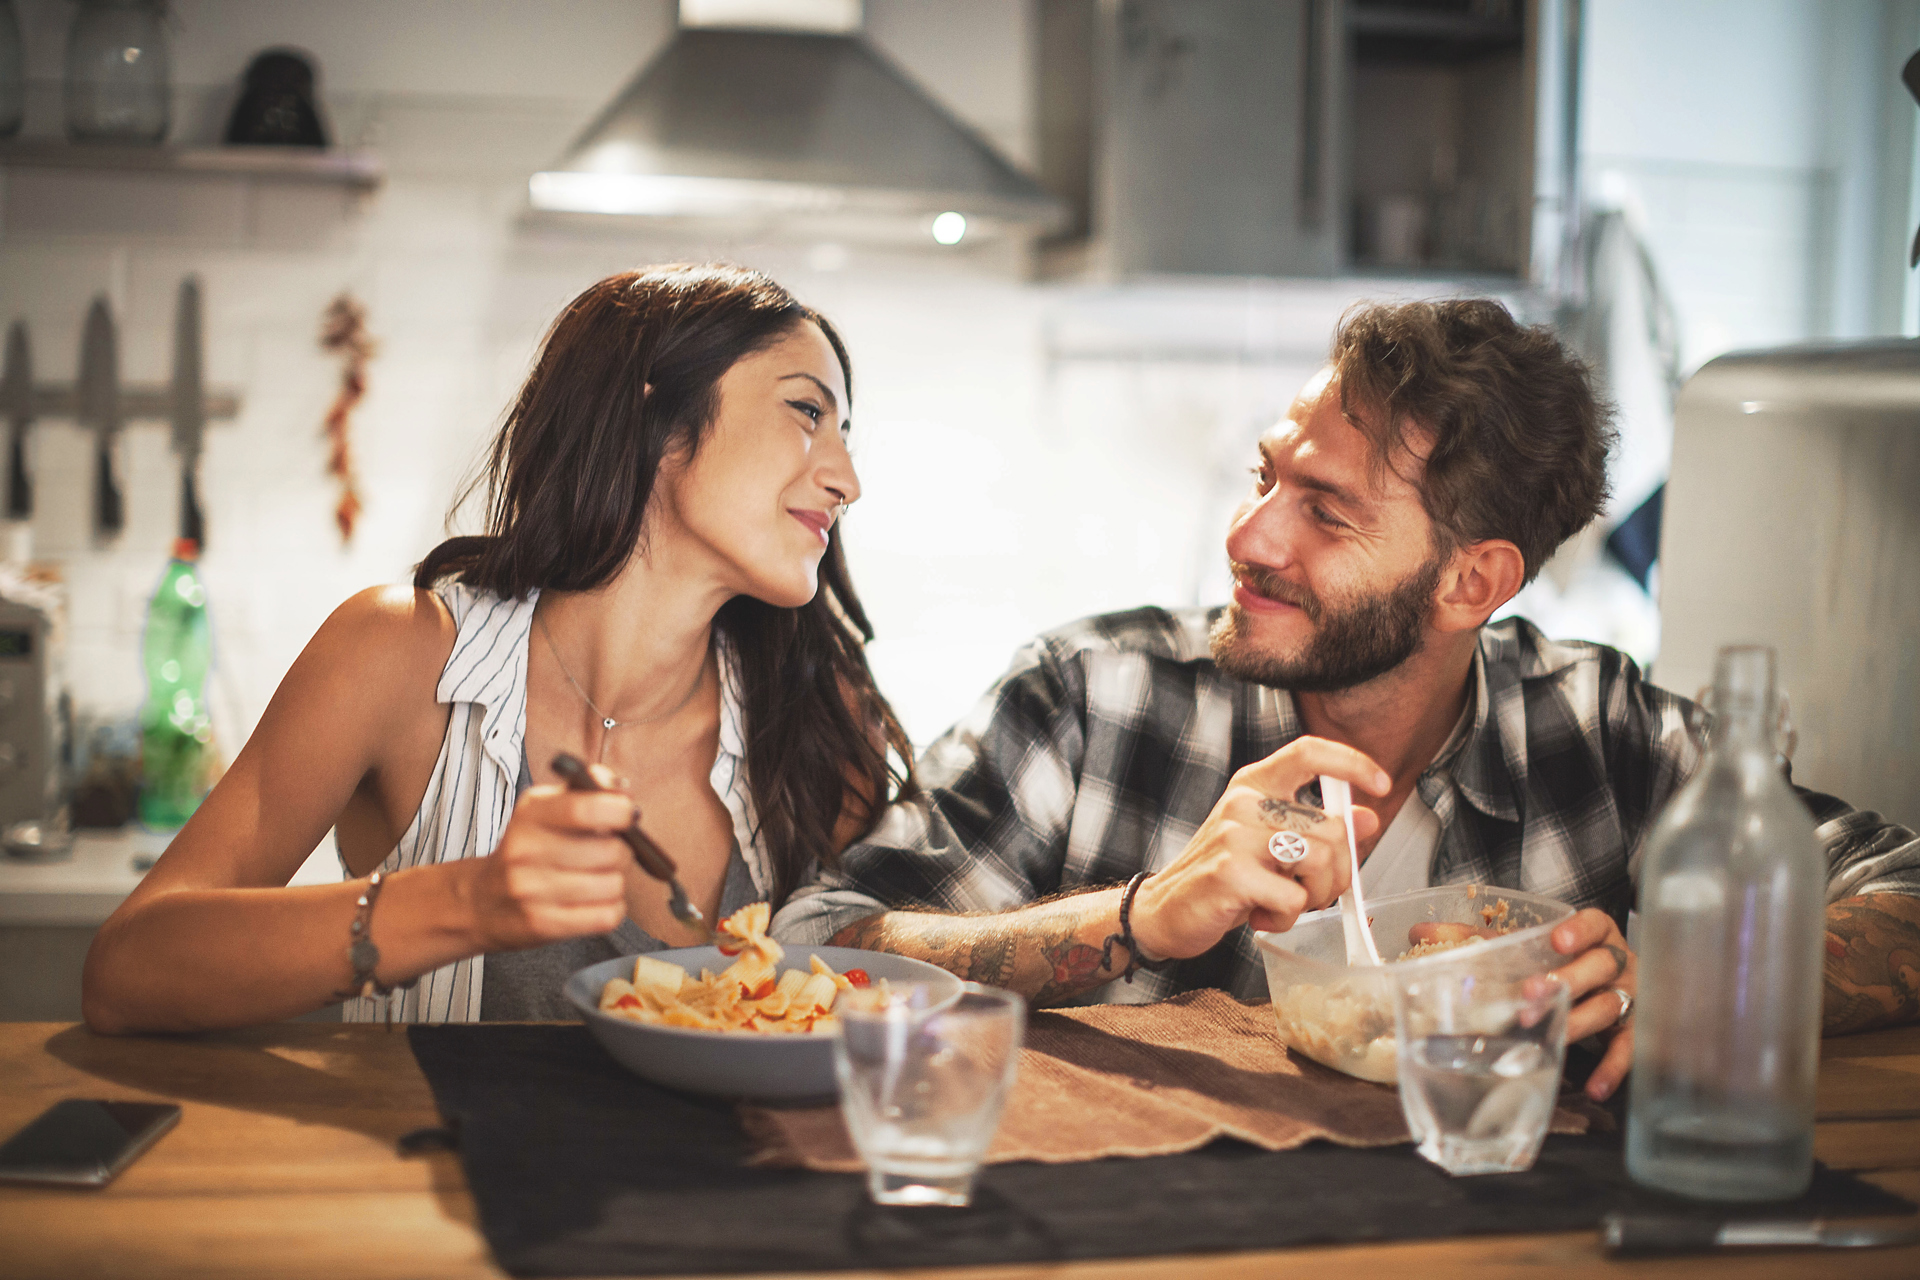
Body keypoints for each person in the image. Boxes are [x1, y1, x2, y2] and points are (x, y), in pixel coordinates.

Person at [772, 298, 1920, 1105]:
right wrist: (1130, 917)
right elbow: (813, 945)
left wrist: (1696, 982)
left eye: (1327, 511)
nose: (1249, 534)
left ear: (1476, 580)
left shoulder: (1598, 727)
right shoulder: (1093, 696)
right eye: (1268, 474)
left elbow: (1905, 883)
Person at [84, 264, 912, 1031]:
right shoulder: (398, 656)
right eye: (808, 413)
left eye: (846, 430)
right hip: (436, 1186)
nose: (848, 478)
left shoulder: (817, 724)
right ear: (653, 415)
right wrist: (468, 902)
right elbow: (127, 971)